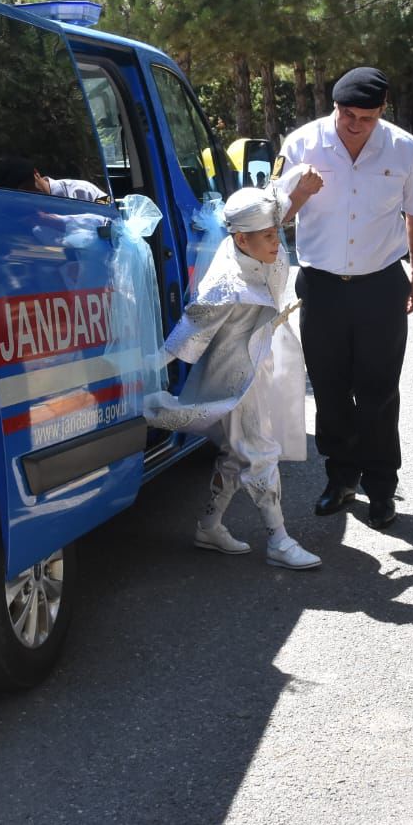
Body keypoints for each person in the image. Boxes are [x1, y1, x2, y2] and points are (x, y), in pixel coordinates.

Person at [275, 67, 413, 529]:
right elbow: (272, 216)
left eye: (366, 116)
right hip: (322, 285)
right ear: (335, 107)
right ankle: (340, 478)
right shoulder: (302, 143)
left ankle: (382, 487)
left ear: (382, 111)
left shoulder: (403, 147)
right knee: (329, 387)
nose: (355, 125)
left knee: (379, 392)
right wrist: (298, 196)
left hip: (381, 284)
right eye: (347, 114)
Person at [144, 185, 322, 570]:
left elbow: (280, 204)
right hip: (238, 374)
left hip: (262, 360)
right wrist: (152, 363)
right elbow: (195, 324)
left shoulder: (254, 244)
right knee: (259, 450)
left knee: (235, 450)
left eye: (279, 233)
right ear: (242, 239)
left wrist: (297, 194)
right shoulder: (225, 283)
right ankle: (278, 539)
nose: (278, 242)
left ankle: (208, 525)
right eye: (270, 236)